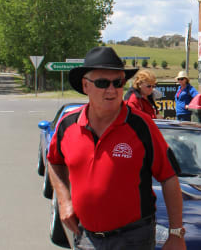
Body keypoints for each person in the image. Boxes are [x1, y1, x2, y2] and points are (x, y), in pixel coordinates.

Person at [47, 46, 186, 250]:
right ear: (86, 86)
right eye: (103, 83)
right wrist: (64, 200)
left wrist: (176, 233)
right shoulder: (68, 125)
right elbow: (54, 161)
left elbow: (169, 177)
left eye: (118, 82)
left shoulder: (142, 126)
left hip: (133, 239)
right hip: (85, 237)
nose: (112, 90)